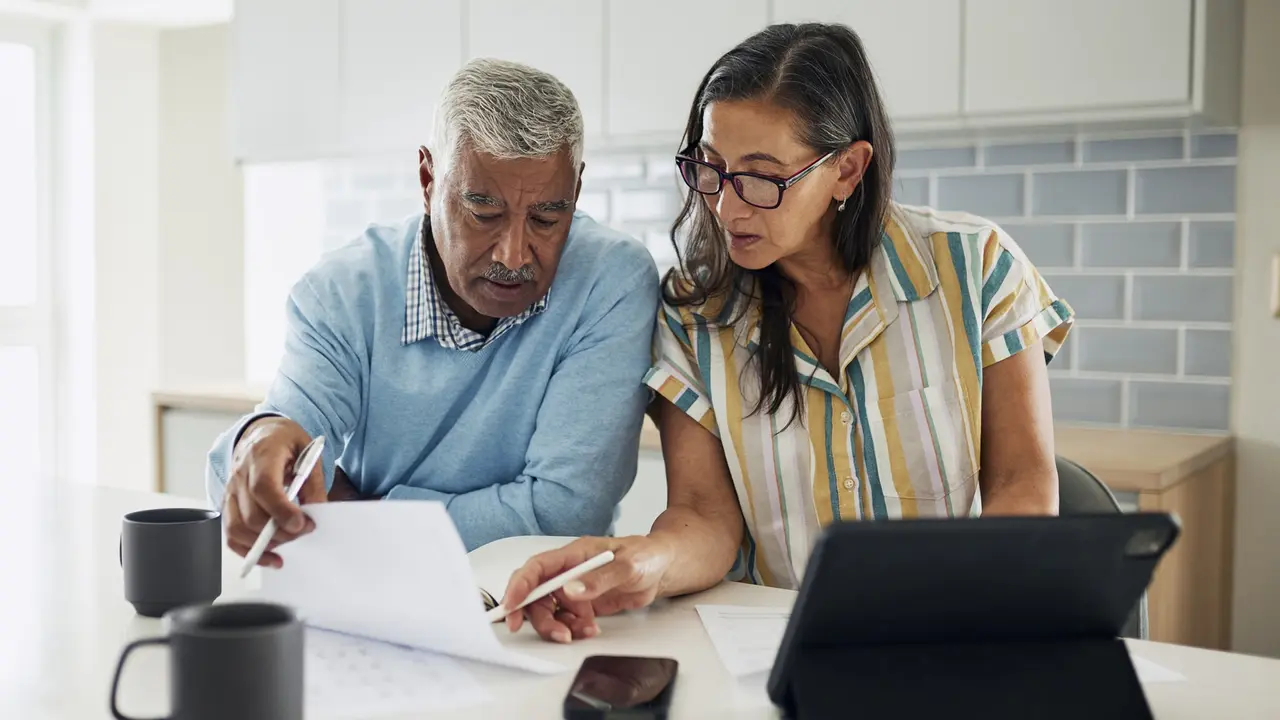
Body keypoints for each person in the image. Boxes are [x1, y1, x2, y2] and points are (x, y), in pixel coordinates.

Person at [500, 22, 1074, 644]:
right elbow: (704, 516)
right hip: (774, 646)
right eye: (711, 168)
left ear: (847, 171)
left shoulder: (976, 268)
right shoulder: (693, 314)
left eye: (761, 177)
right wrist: (640, 562)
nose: (726, 206)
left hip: (949, 637)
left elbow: (1022, 483)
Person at [206, 58, 658, 566]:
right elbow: (285, 449)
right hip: (366, 589)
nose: (513, 254)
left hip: (543, 599)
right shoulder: (342, 293)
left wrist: (360, 513)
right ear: (428, 179)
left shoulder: (610, 281)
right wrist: (260, 438)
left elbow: (561, 516)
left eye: (547, 218)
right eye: (484, 214)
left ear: (575, 191)